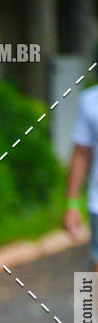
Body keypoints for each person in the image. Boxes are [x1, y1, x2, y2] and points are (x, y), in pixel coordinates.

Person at [64, 84, 98, 271]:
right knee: (94, 270)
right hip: (97, 204)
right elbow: (80, 154)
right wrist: (72, 204)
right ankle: (85, 292)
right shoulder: (90, 100)